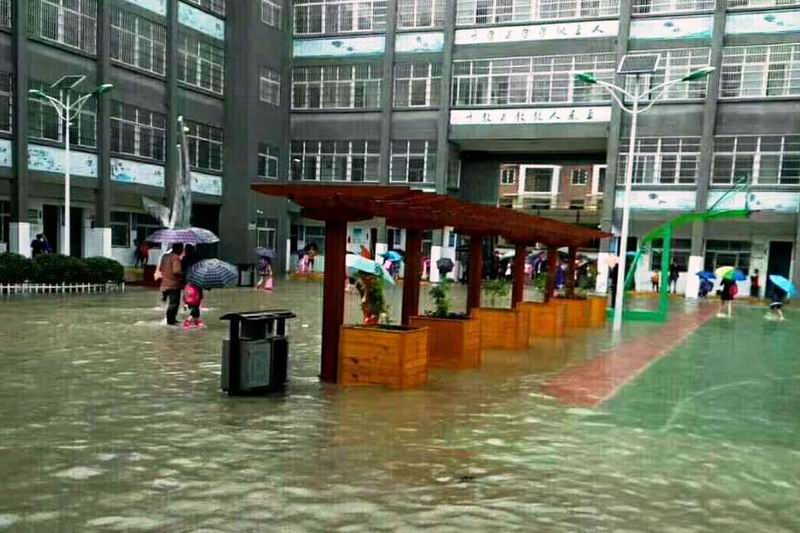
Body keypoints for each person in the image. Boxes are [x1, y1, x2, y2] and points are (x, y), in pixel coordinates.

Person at [159, 243, 184, 326]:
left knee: (170, 303)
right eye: (182, 249)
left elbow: (160, 268)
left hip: (164, 284)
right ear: (179, 249)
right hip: (173, 285)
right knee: (174, 304)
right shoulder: (175, 257)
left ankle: (171, 320)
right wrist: (183, 273)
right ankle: (171, 321)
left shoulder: (164, 256)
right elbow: (176, 271)